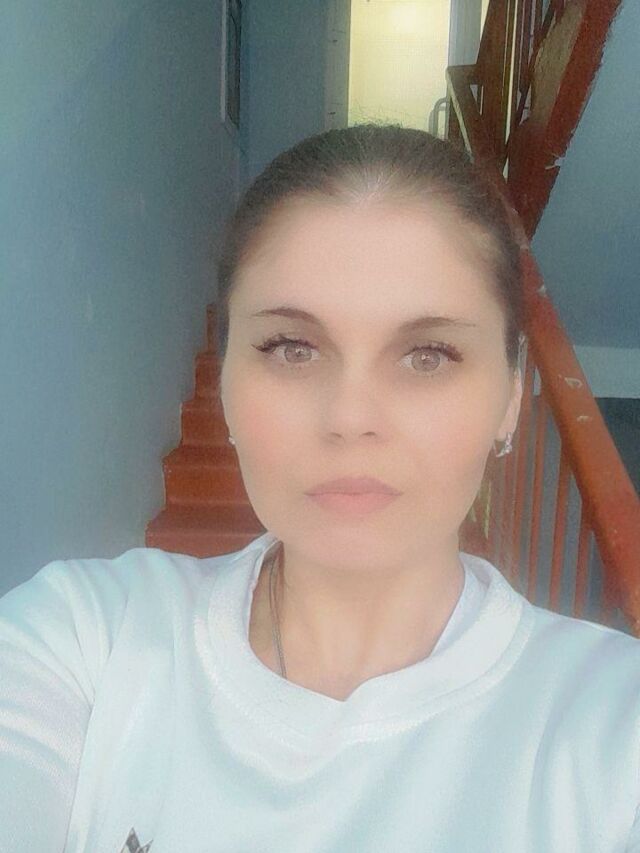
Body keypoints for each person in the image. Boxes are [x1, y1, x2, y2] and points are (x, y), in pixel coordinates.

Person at [1, 124, 639, 852]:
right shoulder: (85, 640)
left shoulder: (614, 731)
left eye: (428, 355)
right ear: (225, 381)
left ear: (511, 395)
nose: (350, 417)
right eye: (292, 348)